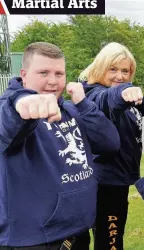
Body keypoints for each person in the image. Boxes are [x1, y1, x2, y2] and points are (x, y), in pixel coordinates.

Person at [0, 42, 120, 249]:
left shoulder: (72, 111)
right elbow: (7, 119)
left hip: (77, 233)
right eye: (43, 73)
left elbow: (110, 143)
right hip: (34, 241)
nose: (53, 81)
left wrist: (84, 104)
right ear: (24, 74)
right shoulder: (15, 108)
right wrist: (21, 101)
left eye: (59, 74)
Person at [80, 42, 144, 250]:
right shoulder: (91, 95)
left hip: (119, 180)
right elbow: (106, 101)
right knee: (109, 242)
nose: (120, 76)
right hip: (104, 183)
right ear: (100, 68)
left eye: (125, 71)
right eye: (113, 69)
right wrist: (123, 91)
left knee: (113, 239)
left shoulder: (125, 97)